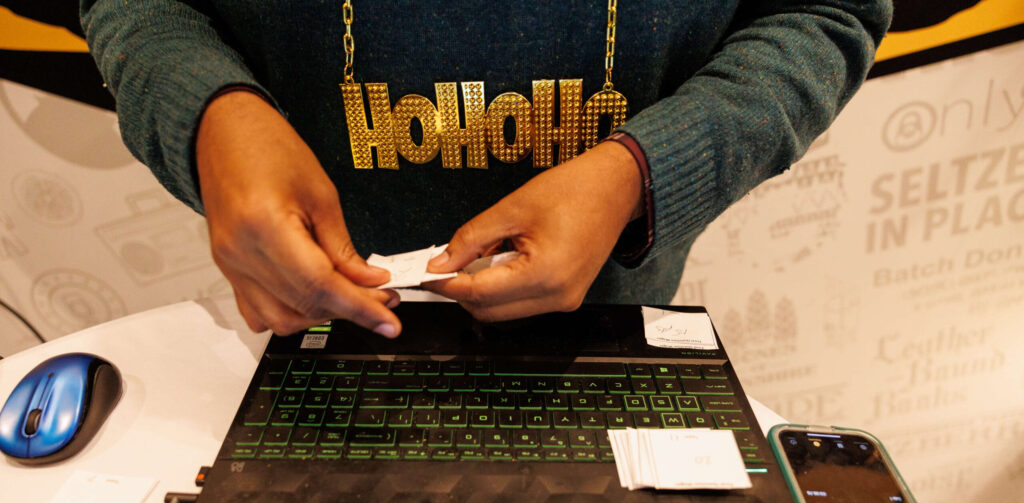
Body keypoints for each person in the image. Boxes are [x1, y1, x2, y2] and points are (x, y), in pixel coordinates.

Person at [80, 1, 892, 338]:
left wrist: (642, 174)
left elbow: (825, 14)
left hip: (605, 338)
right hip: (317, 329)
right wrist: (208, 116)